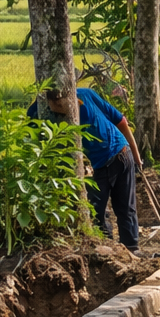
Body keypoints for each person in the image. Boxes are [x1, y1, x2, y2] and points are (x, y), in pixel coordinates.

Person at [29, 85, 144, 251]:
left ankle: (131, 249)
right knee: (96, 209)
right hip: (100, 162)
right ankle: (110, 247)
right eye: (57, 105)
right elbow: (30, 125)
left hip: (118, 154)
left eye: (65, 103)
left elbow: (120, 121)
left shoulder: (86, 95)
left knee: (120, 207)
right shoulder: (42, 109)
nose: (63, 108)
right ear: (49, 102)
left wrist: (136, 156)